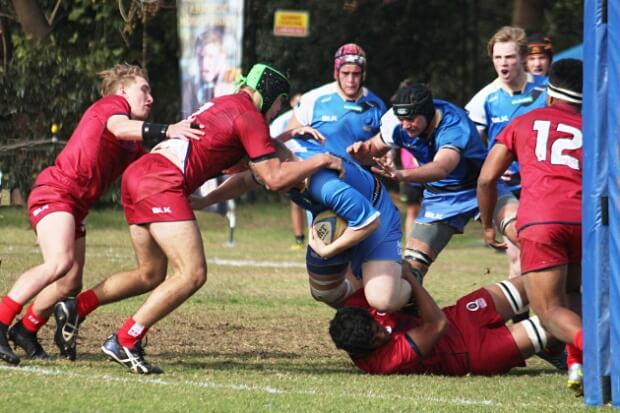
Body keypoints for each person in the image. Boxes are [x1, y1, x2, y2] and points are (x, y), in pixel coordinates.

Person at [52, 64, 344, 374]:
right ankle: (126, 339)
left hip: (140, 175)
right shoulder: (249, 116)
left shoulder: (226, 105)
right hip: (161, 181)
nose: (277, 110)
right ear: (271, 93)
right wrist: (322, 160)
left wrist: (282, 137)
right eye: (280, 102)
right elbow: (272, 177)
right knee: (192, 273)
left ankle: (76, 306)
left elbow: (244, 162)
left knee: (150, 274)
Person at [0, 64, 203, 366]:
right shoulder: (113, 106)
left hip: (74, 206)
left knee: (70, 285)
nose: (150, 98)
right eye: (144, 90)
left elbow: (153, 168)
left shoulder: (132, 143)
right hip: (55, 192)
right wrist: (168, 129)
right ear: (123, 90)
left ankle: (26, 329)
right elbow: (119, 127)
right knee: (59, 262)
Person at [193, 143, 413, 313]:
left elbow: (370, 222)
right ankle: (370, 315)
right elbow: (244, 181)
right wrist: (206, 200)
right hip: (339, 218)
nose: (268, 184)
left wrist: (329, 250)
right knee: (324, 291)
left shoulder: (324, 184)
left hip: (377, 215)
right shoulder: (276, 170)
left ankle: (412, 284)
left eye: (269, 179)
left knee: (382, 299)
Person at [476, 59, 584, 394]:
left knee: (548, 310)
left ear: (549, 94)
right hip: (586, 222)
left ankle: (596, 348)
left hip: (541, 221)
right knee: (572, 295)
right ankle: (577, 365)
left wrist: (488, 224)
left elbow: (486, 178)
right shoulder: (595, 125)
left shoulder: (524, 121)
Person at [347, 83, 487, 283]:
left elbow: (442, 168)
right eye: (401, 119)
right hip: (440, 197)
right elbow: (373, 149)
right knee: (409, 272)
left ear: (427, 114)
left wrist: (402, 174)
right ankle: (410, 314)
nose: (405, 125)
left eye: (411, 119)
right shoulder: (394, 122)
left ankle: (527, 313)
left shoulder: (453, 122)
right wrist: (362, 154)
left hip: (481, 188)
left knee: (524, 242)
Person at [329, 272, 564, 376]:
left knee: (537, 279)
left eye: (377, 327)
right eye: (376, 339)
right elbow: (438, 325)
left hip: (461, 315)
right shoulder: (383, 362)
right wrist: (411, 278)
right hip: (475, 353)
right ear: (360, 351)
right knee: (561, 319)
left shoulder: (358, 305)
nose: (383, 333)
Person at [465, 26, 548, 283]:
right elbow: (470, 148)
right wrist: (492, 167)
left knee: (548, 252)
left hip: (543, 183)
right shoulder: (484, 99)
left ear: (522, 57)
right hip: (506, 188)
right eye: (498, 57)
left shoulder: (547, 92)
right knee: (518, 254)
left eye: (509, 57)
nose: (503, 63)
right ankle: (522, 321)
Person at [282, 43, 386, 160]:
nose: (350, 80)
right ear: (336, 73)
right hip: (320, 173)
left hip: (360, 174)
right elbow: (287, 139)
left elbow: (386, 148)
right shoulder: (311, 99)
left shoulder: (377, 105)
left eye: (356, 74)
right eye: (345, 73)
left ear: (363, 75)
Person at [269, 93, 307, 250]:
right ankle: (299, 238)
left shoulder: (311, 115)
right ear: (291, 102)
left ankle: (317, 236)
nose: (300, 104)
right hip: (291, 164)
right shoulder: (282, 121)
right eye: (297, 101)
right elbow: (272, 141)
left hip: (309, 163)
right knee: (296, 201)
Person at [181, 26, 238, 117]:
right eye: (200, 57)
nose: (204, 63)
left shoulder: (234, 83)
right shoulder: (190, 85)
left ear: (222, 57)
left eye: (210, 56)